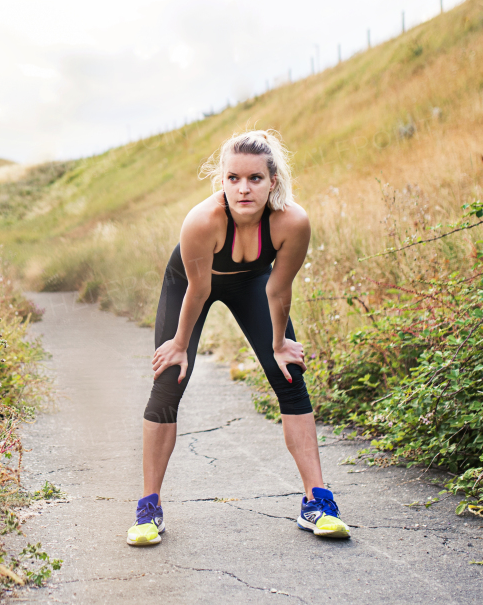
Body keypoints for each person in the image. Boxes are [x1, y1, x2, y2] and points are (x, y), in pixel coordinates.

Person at [127, 129, 349, 546]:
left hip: (254, 285)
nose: (243, 188)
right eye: (233, 179)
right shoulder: (201, 221)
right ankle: (148, 508)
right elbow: (198, 290)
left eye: (255, 179)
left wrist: (280, 344)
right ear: (222, 180)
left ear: (273, 182)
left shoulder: (292, 222)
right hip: (191, 285)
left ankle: (317, 502)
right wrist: (178, 344)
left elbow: (278, 290)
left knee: (290, 376)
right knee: (167, 382)